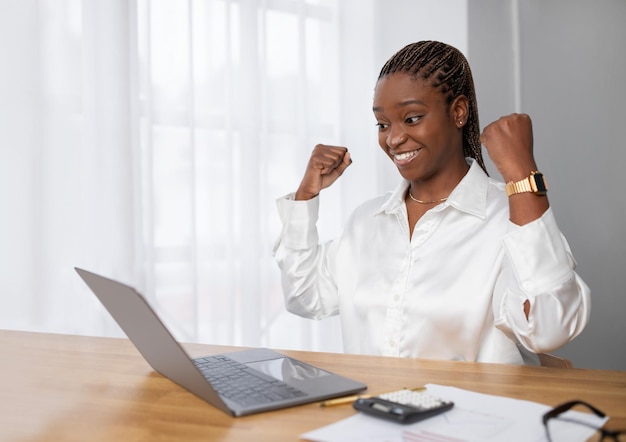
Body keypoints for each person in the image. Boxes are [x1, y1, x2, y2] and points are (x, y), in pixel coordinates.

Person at [273, 41, 590, 364]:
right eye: (383, 124)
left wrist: (522, 176)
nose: (393, 139)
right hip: (374, 411)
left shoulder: (508, 217)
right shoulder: (367, 221)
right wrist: (305, 196)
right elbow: (304, 297)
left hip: (474, 412)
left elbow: (549, 330)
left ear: (458, 112)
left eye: (411, 118)